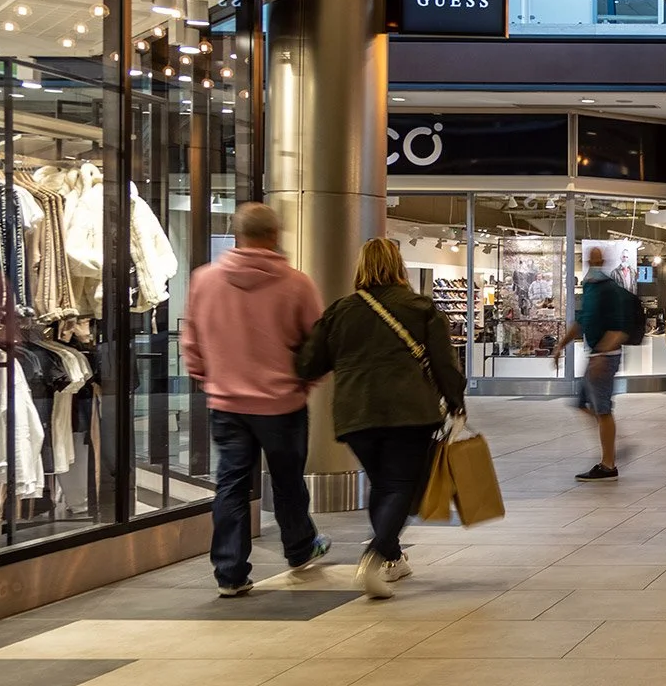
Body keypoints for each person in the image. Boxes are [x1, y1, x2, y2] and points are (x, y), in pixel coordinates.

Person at [297, 238, 467, 598]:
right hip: (409, 412)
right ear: (399, 265)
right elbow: (443, 362)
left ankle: (393, 558)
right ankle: (375, 556)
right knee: (400, 487)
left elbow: (310, 363)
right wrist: (455, 400)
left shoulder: (341, 310)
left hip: (356, 414)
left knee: (382, 484)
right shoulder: (420, 307)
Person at [184, 203, 331, 597]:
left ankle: (230, 572)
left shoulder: (204, 280)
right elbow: (318, 344)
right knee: (287, 481)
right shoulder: (297, 284)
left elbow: (192, 338)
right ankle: (299, 549)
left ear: (237, 235)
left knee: (230, 483)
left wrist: (206, 378)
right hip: (282, 404)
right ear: (275, 235)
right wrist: (306, 382)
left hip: (227, 403)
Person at [555, 246, 642, 482]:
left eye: (595, 258)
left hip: (605, 356)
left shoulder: (609, 289)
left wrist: (603, 354)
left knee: (602, 409)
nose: (592, 261)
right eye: (589, 258)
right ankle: (615, 444)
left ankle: (608, 464)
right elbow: (581, 321)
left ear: (601, 260)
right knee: (583, 404)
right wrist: (560, 345)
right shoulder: (590, 288)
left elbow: (619, 327)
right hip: (596, 355)